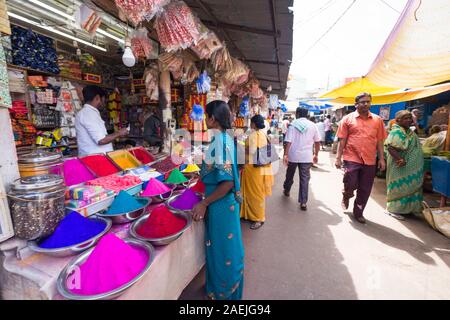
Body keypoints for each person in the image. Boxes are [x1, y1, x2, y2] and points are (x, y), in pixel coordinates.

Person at [192, 100, 244, 300]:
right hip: (225, 205)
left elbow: (228, 182)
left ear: (212, 119)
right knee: (224, 249)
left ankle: (223, 294)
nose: (205, 120)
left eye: (206, 116)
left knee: (222, 252)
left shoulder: (218, 141)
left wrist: (204, 203)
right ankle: (219, 290)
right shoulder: (227, 137)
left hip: (220, 205)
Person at [335, 92, 387, 224]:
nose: (366, 104)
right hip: (352, 156)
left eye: (368, 102)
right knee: (351, 182)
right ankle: (347, 194)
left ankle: (358, 212)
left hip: (369, 159)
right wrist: (338, 157)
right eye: (363, 102)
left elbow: (380, 141)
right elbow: (342, 140)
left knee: (365, 188)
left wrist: (381, 159)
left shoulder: (378, 120)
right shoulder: (347, 119)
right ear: (356, 104)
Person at [384, 110, 424, 220]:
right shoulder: (396, 131)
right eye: (406, 118)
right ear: (398, 120)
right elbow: (390, 147)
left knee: (412, 186)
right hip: (400, 166)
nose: (409, 120)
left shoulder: (408, 131)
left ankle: (408, 209)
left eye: (410, 118)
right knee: (400, 186)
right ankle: (393, 209)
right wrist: (400, 159)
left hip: (411, 167)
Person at [283, 107, 321, 211]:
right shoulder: (313, 125)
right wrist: (316, 154)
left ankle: (287, 189)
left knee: (290, 174)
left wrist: (285, 155)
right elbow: (317, 142)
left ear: (297, 114)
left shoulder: (293, 125)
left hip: (293, 155)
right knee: (305, 179)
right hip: (306, 156)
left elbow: (289, 141)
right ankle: (303, 202)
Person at [240, 115, 274, 230]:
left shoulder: (254, 135)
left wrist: (242, 148)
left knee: (255, 194)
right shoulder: (263, 134)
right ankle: (248, 214)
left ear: (253, 123)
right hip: (260, 168)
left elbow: (252, 151)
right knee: (255, 192)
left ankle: (259, 218)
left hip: (254, 170)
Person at [75, 85, 128, 156]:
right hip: (94, 160)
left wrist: (115, 135)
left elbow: (101, 136)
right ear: (97, 98)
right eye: (103, 99)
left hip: (96, 159)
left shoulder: (89, 113)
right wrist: (119, 133)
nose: (104, 103)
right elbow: (101, 140)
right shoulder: (89, 114)